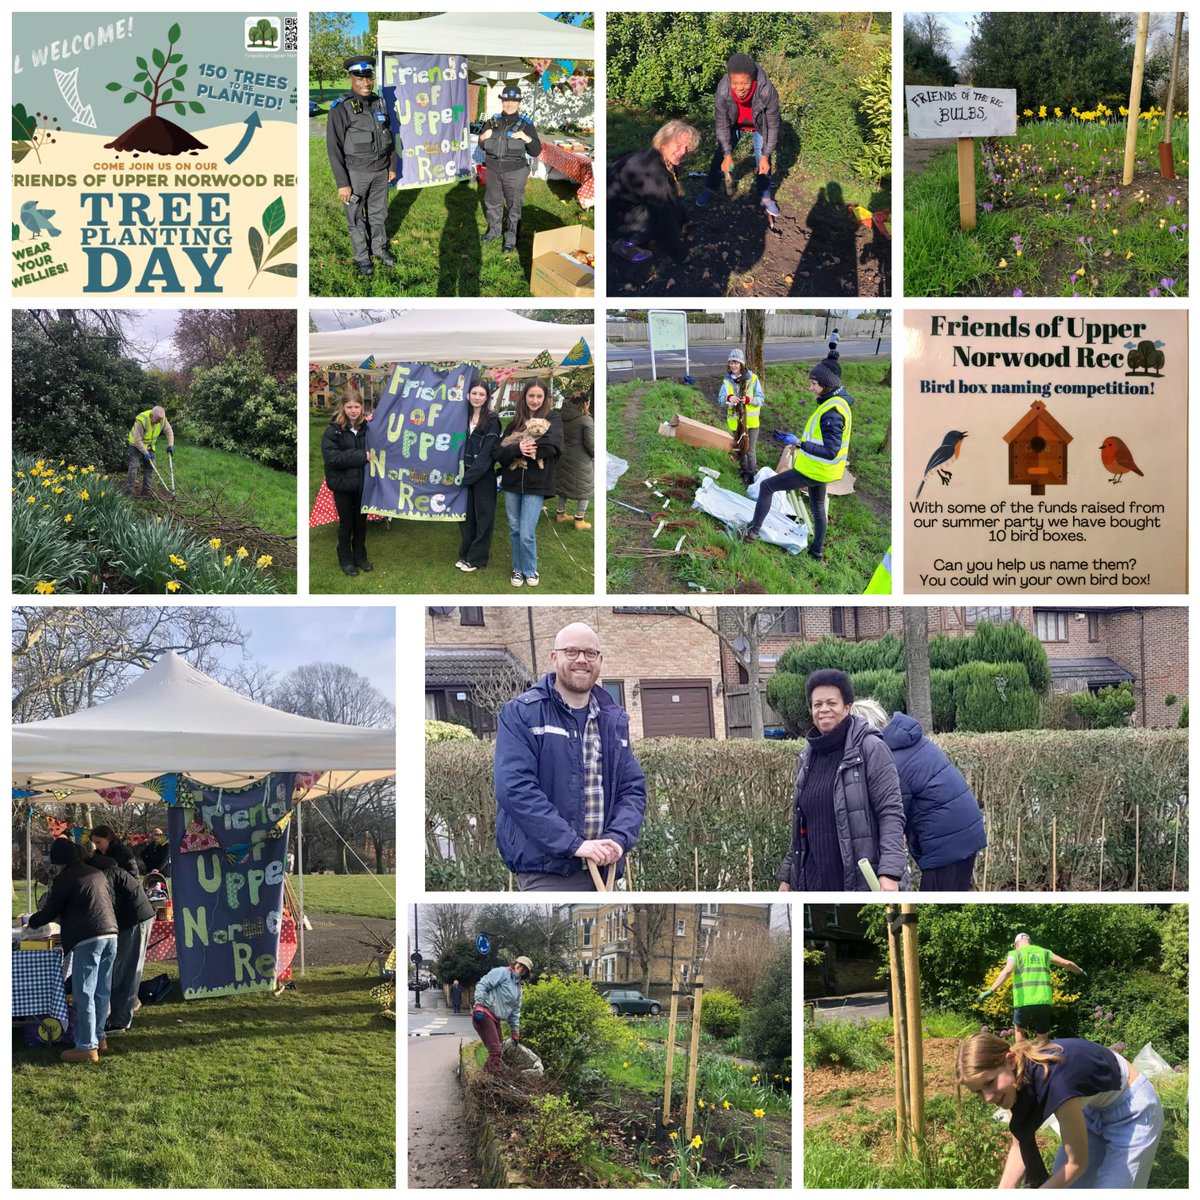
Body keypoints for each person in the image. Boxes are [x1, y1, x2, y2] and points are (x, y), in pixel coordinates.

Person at [495, 621, 648, 890]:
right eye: (571, 652)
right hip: (546, 873)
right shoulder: (521, 713)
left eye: (590, 653)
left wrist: (617, 838)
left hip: (605, 871)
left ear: (600, 660)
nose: (581, 660)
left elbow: (632, 789)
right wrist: (574, 844)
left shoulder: (613, 720)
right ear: (554, 657)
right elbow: (515, 789)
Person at [957, 1033, 1163, 1187]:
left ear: (1010, 1061)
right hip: (1091, 1108)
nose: (988, 1097)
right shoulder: (1015, 1084)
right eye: (978, 1092)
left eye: (990, 1082)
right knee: (1065, 1185)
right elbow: (1019, 1146)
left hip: (1133, 1111)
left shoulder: (1057, 1083)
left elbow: (1077, 1164)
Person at [776, 669, 906, 892]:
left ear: (847, 707)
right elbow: (800, 826)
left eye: (831, 703)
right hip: (815, 883)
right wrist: (788, 877)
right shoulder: (808, 756)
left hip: (859, 882)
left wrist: (890, 873)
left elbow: (891, 813)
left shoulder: (870, 748)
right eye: (817, 705)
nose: (824, 710)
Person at [852, 698, 987, 891]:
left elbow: (893, 813)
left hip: (946, 838)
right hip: (964, 827)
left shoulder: (889, 759)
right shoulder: (907, 741)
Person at [742, 349, 853, 563]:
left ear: (826, 385)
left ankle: (752, 532)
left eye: (813, 383)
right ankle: (817, 552)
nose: (810, 387)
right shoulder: (836, 403)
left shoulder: (832, 412)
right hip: (822, 470)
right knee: (818, 508)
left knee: (767, 487)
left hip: (814, 469)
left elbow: (831, 451)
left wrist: (799, 443)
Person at [27, 839, 118, 1063]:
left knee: (83, 993)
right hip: (111, 934)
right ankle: (99, 1037)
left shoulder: (64, 879)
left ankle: (86, 1047)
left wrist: (31, 922)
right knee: (101, 990)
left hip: (88, 937)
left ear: (59, 862)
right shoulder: (97, 873)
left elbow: (50, 911)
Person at [326, 54, 397, 278]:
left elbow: (390, 138)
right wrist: (342, 183)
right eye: (360, 78)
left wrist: (392, 166)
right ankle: (362, 257)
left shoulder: (380, 103)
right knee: (356, 218)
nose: (365, 82)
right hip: (356, 175)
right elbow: (333, 147)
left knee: (378, 214)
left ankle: (379, 249)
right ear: (351, 78)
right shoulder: (341, 108)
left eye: (369, 77)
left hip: (380, 172)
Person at [694, 53, 782, 217]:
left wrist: (766, 154)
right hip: (734, 123)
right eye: (735, 83)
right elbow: (721, 124)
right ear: (729, 79)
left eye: (744, 83)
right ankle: (710, 188)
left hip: (760, 125)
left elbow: (772, 125)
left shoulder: (767, 90)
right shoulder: (722, 90)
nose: (740, 88)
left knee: (762, 160)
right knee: (721, 153)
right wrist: (727, 154)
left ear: (753, 79)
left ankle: (765, 197)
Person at [495, 378, 564, 587]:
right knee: (514, 528)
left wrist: (530, 449)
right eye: (531, 396)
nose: (534, 400)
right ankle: (518, 568)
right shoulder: (514, 423)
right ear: (524, 397)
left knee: (526, 531)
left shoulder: (553, 418)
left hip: (536, 483)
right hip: (513, 482)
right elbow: (499, 452)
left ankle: (530, 568)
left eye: (539, 396)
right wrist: (517, 450)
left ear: (545, 399)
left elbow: (554, 445)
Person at [608, 120, 700, 263]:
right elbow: (664, 216)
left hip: (623, 204)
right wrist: (680, 254)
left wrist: (683, 221)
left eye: (687, 147)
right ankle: (625, 245)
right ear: (664, 142)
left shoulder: (663, 160)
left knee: (666, 207)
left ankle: (635, 231)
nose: (683, 151)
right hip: (610, 216)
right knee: (657, 215)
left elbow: (673, 196)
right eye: (679, 145)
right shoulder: (654, 172)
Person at [88, 847, 155, 1037]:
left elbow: (107, 906)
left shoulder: (106, 875)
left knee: (126, 970)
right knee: (124, 969)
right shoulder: (112, 871)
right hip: (134, 919)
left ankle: (119, 1021)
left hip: (134, 921)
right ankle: (122, 1011)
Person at [978, 932, 1085, 1043]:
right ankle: (1042, 1058)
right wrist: (1080, 971)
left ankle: (1021, 1058)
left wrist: (991, 990)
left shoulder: (1015, 953)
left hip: (1023, 1002)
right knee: (1042, 1035)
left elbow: (1007, 971)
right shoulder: (1045, 952)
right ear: (1029, 942)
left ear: (1016, 944)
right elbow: (1066, 963)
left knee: (1019, 1030)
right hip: (1043, 1001)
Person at [479, 84, 542, 253]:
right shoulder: (492, 122)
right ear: (502, 101)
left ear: (519, 103)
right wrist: (483, 136)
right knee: (492, 203)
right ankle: (493, 231)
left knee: (514, 206)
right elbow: (482, 144)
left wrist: (527, 138)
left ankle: (511, 238)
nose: (510, 104)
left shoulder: (526, 125)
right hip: (492, 170)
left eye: (514, 101)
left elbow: (536, 151)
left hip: (515, 172)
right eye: (507, 100)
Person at [321, 389, 377, 577]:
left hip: (362, 484)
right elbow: (332, 458)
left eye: (357, 406)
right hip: (343, 485)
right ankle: (345, 559)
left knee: (360, 523)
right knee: (346, 524)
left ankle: (360, 557)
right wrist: (361, 456)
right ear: (343, 408)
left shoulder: (366, 428)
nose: (353, 411)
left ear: (362, 407)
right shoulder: (333, 431)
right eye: (349, 407)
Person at [456, 380, 502, 573]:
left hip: (482, 475)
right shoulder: (460, 417)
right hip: (463, 471)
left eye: (481, 394)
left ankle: (477, 558)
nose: (477, 397)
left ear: (487, 397)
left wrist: (469, 477)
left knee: (484, 518)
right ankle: (466, 553)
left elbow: (486, 454)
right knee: (466, 517)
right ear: (468, 395)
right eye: (474, 393)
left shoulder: (492, 420)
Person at [472, 957, 532, 1073]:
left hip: (495, 1018)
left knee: (499, 1050)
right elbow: (482, 984)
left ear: (526, 973)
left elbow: (515, 1011)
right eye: (520, 964)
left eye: (524, 968)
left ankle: (482, 1078)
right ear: (515, 963)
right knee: (496, 1050)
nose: (521, 968)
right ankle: (495, 1081)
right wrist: (479, 1004)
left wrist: (515, 1031)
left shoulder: (518, 988)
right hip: (484, 1013)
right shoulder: (502, 972)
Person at [719, 348, 764, 483]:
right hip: (735, 423)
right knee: (740, 449)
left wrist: (749, 400)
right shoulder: (727, 381)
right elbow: (720, 400)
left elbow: (761, 399)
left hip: (751, 423)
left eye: (736, 363)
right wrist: (729, 398)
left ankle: (751, 474)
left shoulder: (753, 379)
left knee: (750, 450)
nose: (733, 366)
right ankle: (743, 471)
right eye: (731, 363)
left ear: (741, 364)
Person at [555, 394, 594, 530]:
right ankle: (579, 520)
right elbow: (590, 444)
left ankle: (560, 514)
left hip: (563, 456)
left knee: (563, 486)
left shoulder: (561, 417)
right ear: (585, 403)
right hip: (580, 460)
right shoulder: (585, 419)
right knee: (585, 488)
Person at [126, 405, 174, 497]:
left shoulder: (162, 419)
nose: (158, 423)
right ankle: (129, 490)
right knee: (134, 466)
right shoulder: (142, 420)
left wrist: (170, 445)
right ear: (152, 416)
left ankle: (146, 492)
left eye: (160, 421)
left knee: (150, 467)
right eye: (157, 420)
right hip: (135, 445)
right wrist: (145, 453)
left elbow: (169, 431)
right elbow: (137, 440)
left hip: (149, 446)